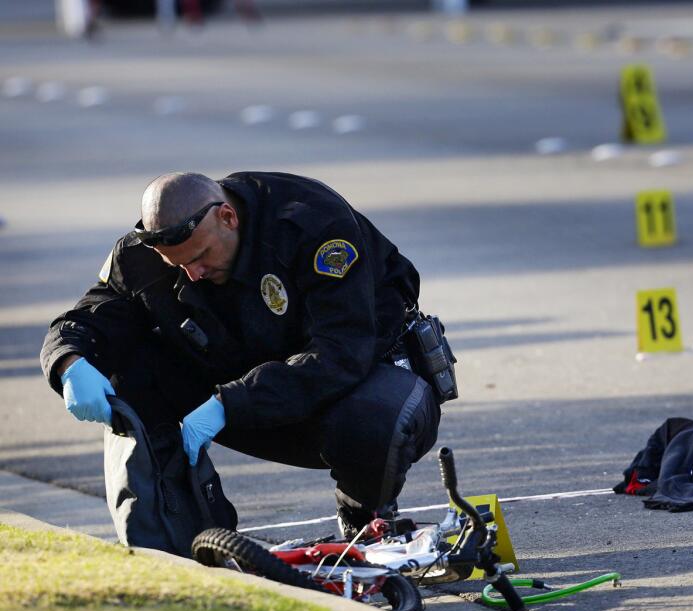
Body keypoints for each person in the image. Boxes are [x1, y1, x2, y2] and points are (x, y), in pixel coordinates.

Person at [40, 171, 446, 540]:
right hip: (244, 391)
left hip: (360, 386)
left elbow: (342, 354)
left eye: (200, 257)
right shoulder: (143, 254)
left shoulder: (310, 224)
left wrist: (229, 403)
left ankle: (365, 523)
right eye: (178, 264)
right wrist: (68, 362)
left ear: (228, 218)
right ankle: (185, 539)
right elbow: (83, 320)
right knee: (126, 373)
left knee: (372, 418)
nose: (193, 273)